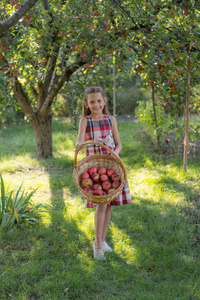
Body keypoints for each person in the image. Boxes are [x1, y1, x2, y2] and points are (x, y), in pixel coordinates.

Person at [75, 86, 132, 260]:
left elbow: (119, 144)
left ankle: (102, 240)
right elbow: (79, 140)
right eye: (92, 102)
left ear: (104, 101)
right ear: (86, 104)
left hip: (110, 167)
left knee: (108, 205)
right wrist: (78, 145)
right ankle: (97, 246)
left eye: (99, 101)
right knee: (101, 204)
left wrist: (115, 152)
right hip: (94, 171)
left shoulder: (111, 120)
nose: (96, 105)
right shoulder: (85, 121)